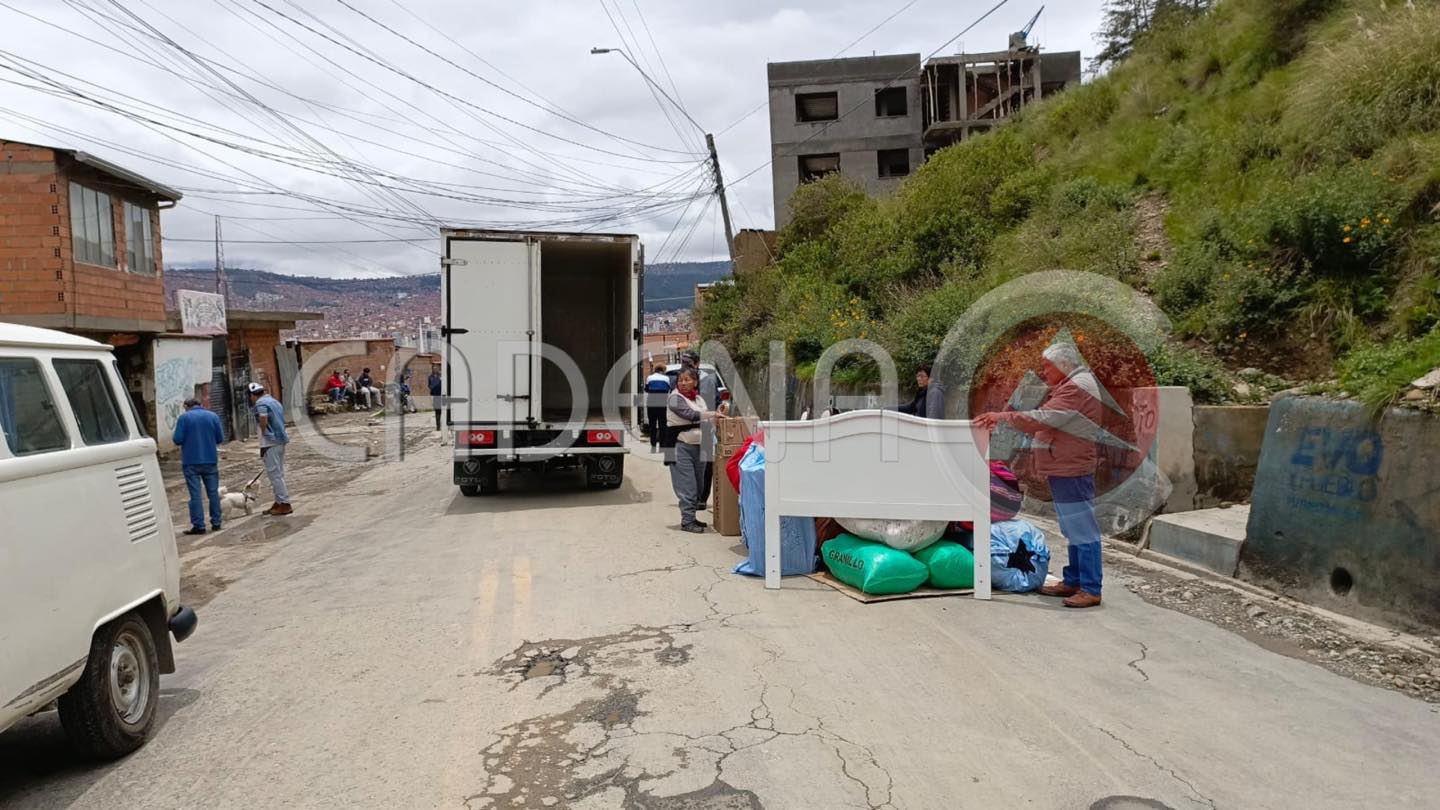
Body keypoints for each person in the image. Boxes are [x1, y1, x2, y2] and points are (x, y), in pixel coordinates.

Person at [974, 342, 1104, 608]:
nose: (1044, 372)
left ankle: (1090, 587)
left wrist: (1001, 416)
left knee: (1082, 528)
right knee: (1072, 528)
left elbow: (1043, 418)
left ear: (1064, 365)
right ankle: (1075, 580)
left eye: (1047, 366)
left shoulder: (1077, 387)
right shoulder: (1074, 384)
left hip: (1072, 467)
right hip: (1066, 465)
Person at [666, 367, 710, 533]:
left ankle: (692, 517)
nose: (683, 383)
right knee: (687, 485)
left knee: (699, 484)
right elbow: (691, 415)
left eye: (687, 380)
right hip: (680, 446)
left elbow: (704, 418)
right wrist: (713, 414)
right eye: (680, 380)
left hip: (700, 446)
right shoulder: (674, 398)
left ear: (695, 382)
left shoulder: (698, 399)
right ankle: (687, 521)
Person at [172, 398, 226, 535]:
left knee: (195, 495)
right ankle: (216, 523)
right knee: (213, 493)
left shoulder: (184, 418)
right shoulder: (213, 416)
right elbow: (220, 438)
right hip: (210, 460)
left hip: (191, 461)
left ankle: (199, 526)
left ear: (186, 406)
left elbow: (177, 439)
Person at [682, 351, 722, 506]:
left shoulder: (707, 379)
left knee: (705, 464)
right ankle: (692, 497)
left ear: (697, 364)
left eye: (688, 362)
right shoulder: (680, 380)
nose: (685, 364)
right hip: (686, 428)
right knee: (688, 464)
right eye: (683, 361)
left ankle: (701, 499)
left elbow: (716, 401)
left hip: (704, 426)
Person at [248, 382, 293, 516]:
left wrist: (264, 431)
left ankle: (284, 503)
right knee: (278, 473)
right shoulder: (274, 401)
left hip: (270, 442)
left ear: (252, 395)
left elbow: (263, 418)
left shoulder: (260, 404)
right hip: (280, 440)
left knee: (275, 475)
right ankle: (278, 501)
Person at [644, 362, 672, 453]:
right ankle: (662, 447)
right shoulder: (666, 379)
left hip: (651, 404)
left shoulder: (649, 378)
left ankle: (653, 447)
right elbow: (668, 390)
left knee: (652, 425)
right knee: (662, 425)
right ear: (663, 370)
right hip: (662, 404)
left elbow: (646, 389)